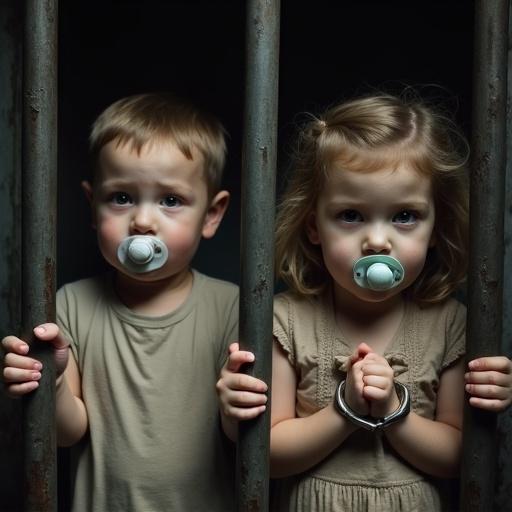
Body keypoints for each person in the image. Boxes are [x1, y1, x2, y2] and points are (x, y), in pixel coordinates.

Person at [216, 93, 512, 511]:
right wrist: (345, 409)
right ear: (313, 225)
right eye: (351, 215)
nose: (377, 240)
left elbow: (458, 459)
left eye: (405, 216)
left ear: (435, 225)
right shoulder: (285, 320)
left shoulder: (451, 323)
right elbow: (267, 455)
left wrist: (394, 409)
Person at [2, 93, 239, 512]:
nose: (143, 221)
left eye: (170, 200)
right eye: (122, 198)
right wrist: (48, 383)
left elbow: (242, 433)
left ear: (212, 215)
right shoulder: (71, 304)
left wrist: (240, 400)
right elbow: (67, 433)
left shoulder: (232, 307)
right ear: (93, 206)